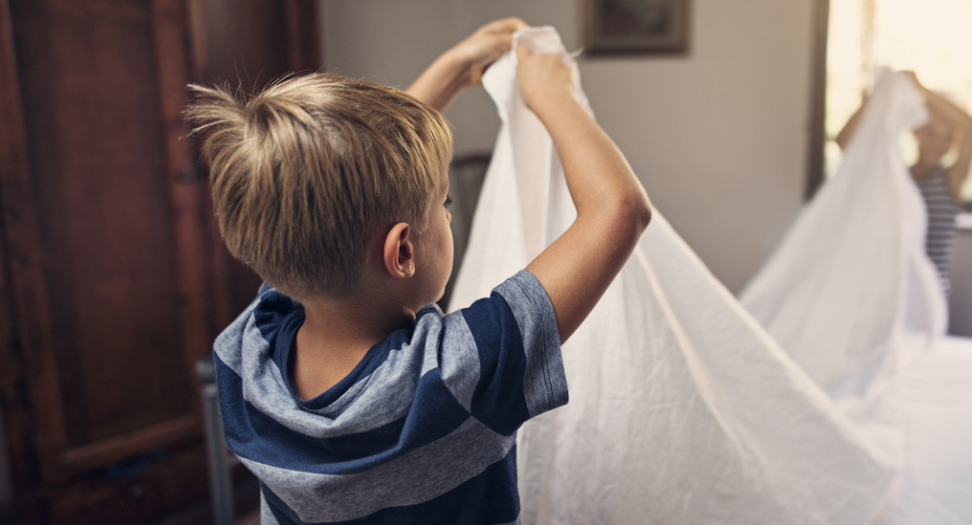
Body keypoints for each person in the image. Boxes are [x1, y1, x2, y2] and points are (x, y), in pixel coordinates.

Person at [188, 17, 651, 524]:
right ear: (403, 251)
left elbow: (333, 192)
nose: (448, 213)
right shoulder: (458, 374)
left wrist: (453, 69)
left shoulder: (247, 350)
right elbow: (620, 211)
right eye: (443, 203)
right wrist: (553, 96)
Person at [836, 71, 972, 296]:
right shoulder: (895, 177)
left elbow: (970, 127)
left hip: (931, 292)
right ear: (917, 133)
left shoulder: (952, 179)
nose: (939, 144)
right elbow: (844, 142)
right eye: (932, 133)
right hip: (890, 287)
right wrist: (880, 97)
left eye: (947, 137)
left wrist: (921, 88)